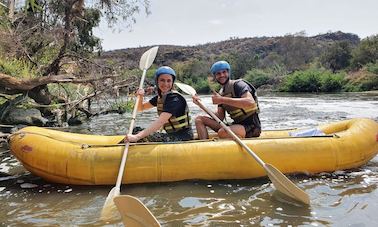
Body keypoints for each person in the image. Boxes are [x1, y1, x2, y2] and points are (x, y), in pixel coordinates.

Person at [193, 60, 261, 139]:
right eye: (218, 73)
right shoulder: (221, 93)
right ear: (215, 76)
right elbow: (220, 117)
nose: (221, 75)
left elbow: (250, 102)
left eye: (224, 72)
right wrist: (200, 105)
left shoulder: (238, 85)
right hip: (236, 125)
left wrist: (222, 100)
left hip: (251, 126)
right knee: (199, 119)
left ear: (228, 73)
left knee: (222, 132)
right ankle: (204, 147)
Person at [125, 66, 193, 142]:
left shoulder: (174, 99)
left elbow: (160, 122)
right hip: (171, 135)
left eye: (169, 81)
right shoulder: (160, 97)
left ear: (172, 82)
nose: (165, 83)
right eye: (162, 80)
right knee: (136, 129)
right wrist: (140, 96)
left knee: (139, 134)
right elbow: (140, 108)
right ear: (157, 81)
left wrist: (137, 137)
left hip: (183, 137)